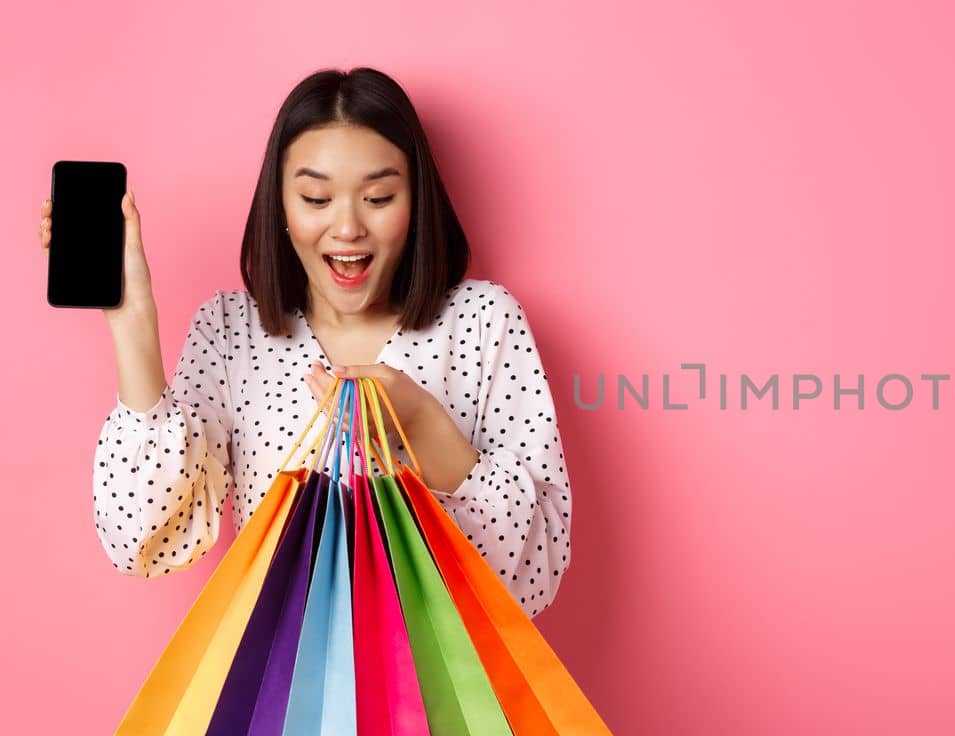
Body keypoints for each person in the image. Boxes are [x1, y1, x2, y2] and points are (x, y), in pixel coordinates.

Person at [37, 67, 572, 620]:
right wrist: (132, 323)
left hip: (446, 704)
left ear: (416, 205)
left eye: (379, 197)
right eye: (316, 198)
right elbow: (142, 541)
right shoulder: (230, 333)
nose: (347, 228)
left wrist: (425, 433)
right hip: (280, 702)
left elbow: (536, 574)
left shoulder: (483, 322)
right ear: (282, 209)